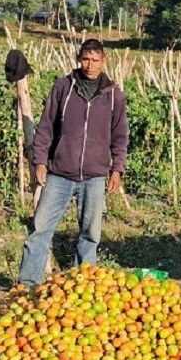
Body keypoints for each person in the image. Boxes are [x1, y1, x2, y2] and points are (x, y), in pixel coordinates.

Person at [18, 39, 128, 287]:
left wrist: (117, 168)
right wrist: (40, 162)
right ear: (78, 58)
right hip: (59, 173)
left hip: (95, 175)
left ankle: (83, 286)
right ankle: (26, 285)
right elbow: (46, 127)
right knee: (40, 229)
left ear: (104, 61)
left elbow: (120, 135)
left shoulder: (114, 96)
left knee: (90, 234)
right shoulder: (63, 88)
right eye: (85, 59)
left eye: (95, 60)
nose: (90, 65)